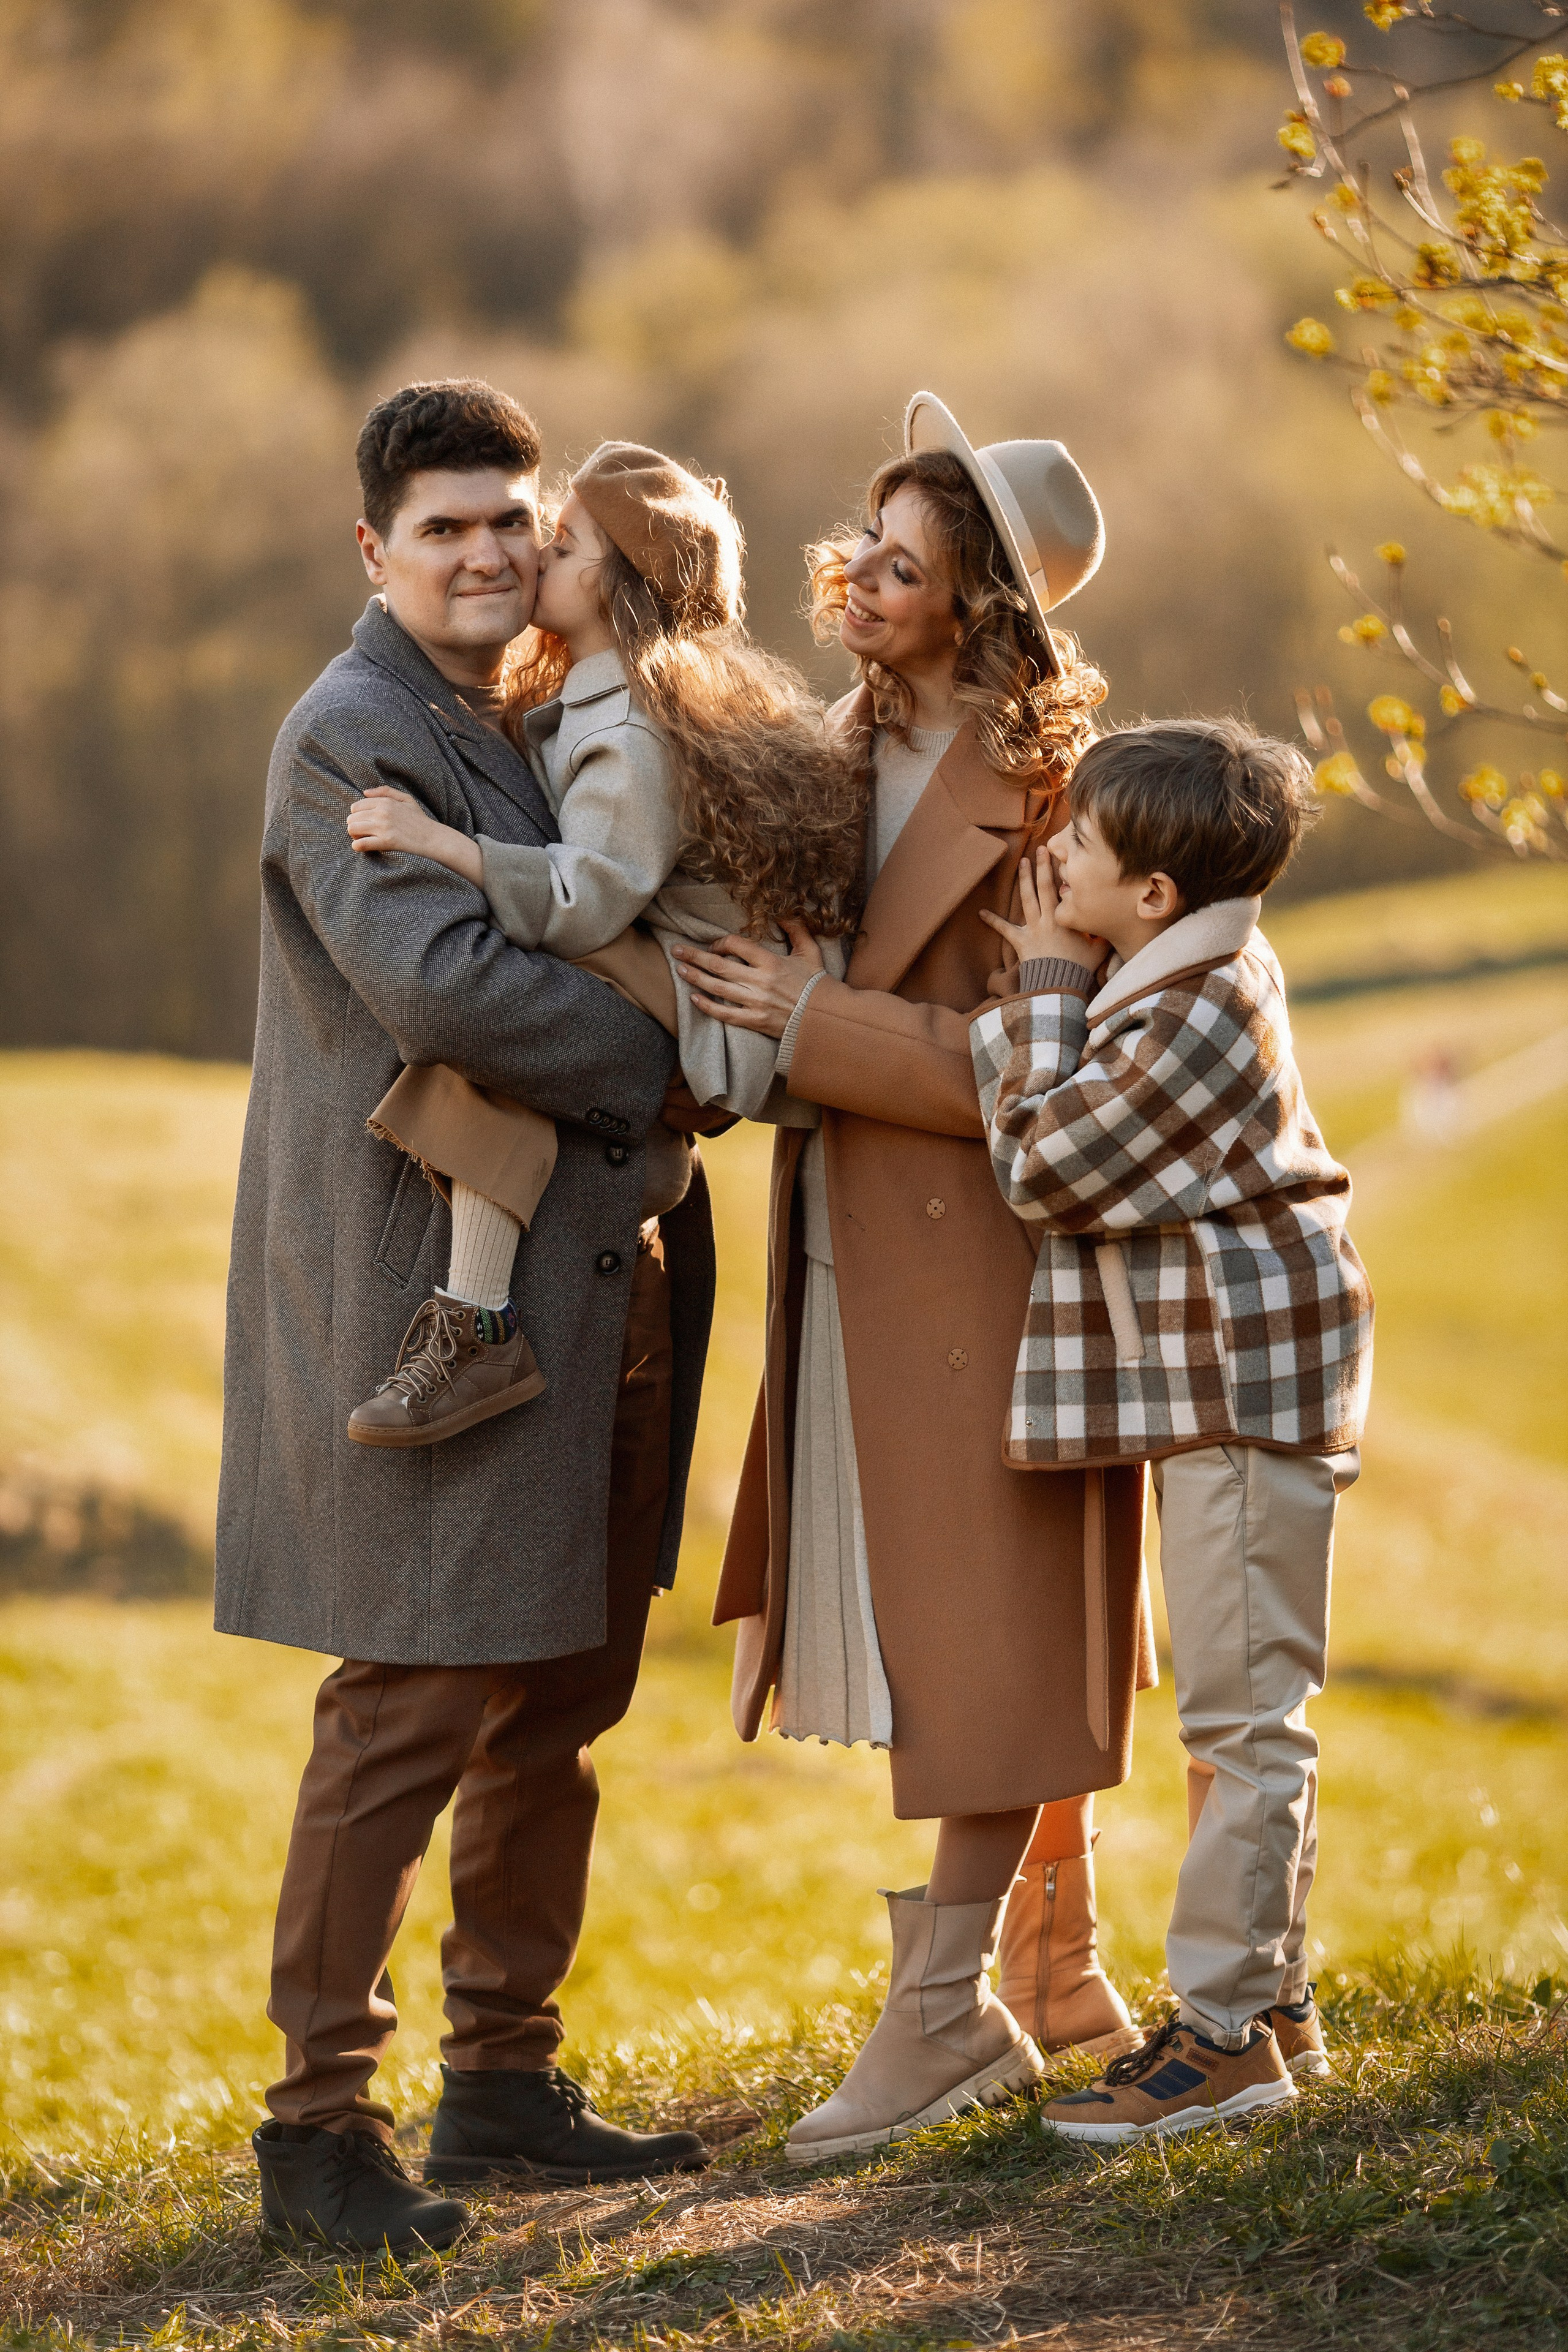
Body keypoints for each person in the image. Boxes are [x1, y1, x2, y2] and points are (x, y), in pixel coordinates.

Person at [217, 379, 718, 2256]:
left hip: (604, 1280)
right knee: (406, 1702)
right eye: (448, 528)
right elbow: (453, 998)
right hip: (435, 1305)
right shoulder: (344, 736)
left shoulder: (543, 693)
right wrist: (694, 1044)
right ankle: (316, 2130)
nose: (494, 553)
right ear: (375, 549)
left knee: (556, 1704)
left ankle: (503, 2083)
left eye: (514, 518)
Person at [673, 393, 1155, 2165]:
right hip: (845, 1240)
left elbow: (1042, 1074)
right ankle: (1055, 1969)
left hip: (990, 1263)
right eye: (859, 551)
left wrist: (817, 1025)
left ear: (982, 607)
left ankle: (943, 2018)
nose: (859, 584)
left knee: (986, 1633)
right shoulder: (825, 748)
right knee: (948, 1622)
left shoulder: (1056, 805)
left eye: (902, 563)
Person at [968, 717, 1373, 2142]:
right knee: (1245, 1712)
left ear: (1151, 896)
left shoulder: (1191, 1010)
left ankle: (1218, 2039)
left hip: (1243, 1392)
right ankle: (1268, 2002)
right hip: (1232, 1382)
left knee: (1242, 1719)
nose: (1052, 848)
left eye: (1079, 837)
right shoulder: (1187, 970)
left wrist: (1036, 992)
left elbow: (1044, 1166)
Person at [340, 441, 860, 1447]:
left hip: (713, 1007)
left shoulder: (627, 729)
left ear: (615, 588)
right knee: (504, 1008)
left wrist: (444, 844)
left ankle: (478, 1317)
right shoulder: (611, 695)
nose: (531, 553)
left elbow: (585, 903)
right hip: (682, 975)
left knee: (498, 1011)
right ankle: (484, 1303)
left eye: (560, 541)